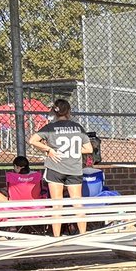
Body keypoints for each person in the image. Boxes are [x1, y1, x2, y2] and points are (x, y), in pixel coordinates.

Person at [28, 99, 93, 237]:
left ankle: (56, 238)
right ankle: (83, 235)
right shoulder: (77, 127)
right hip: (74, 169)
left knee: (57, 205)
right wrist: (73, 150)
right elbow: (88, 148)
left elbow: (32, 140)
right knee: (77, 203)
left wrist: (49, 149)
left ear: (54, 112)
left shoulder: (51, 127)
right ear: (69, 112)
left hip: (55, 168)